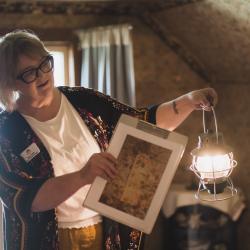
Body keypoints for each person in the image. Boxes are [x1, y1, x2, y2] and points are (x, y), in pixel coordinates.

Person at [0, 29, 217, 250]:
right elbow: (25, 200)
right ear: (11, 83)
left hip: (103, 232)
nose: (42, 75)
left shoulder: (84, 101)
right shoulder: (7, 131)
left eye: (44, 64)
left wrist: (189, 101)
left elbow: (145, 124)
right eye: (29, 73)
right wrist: (84, 175)